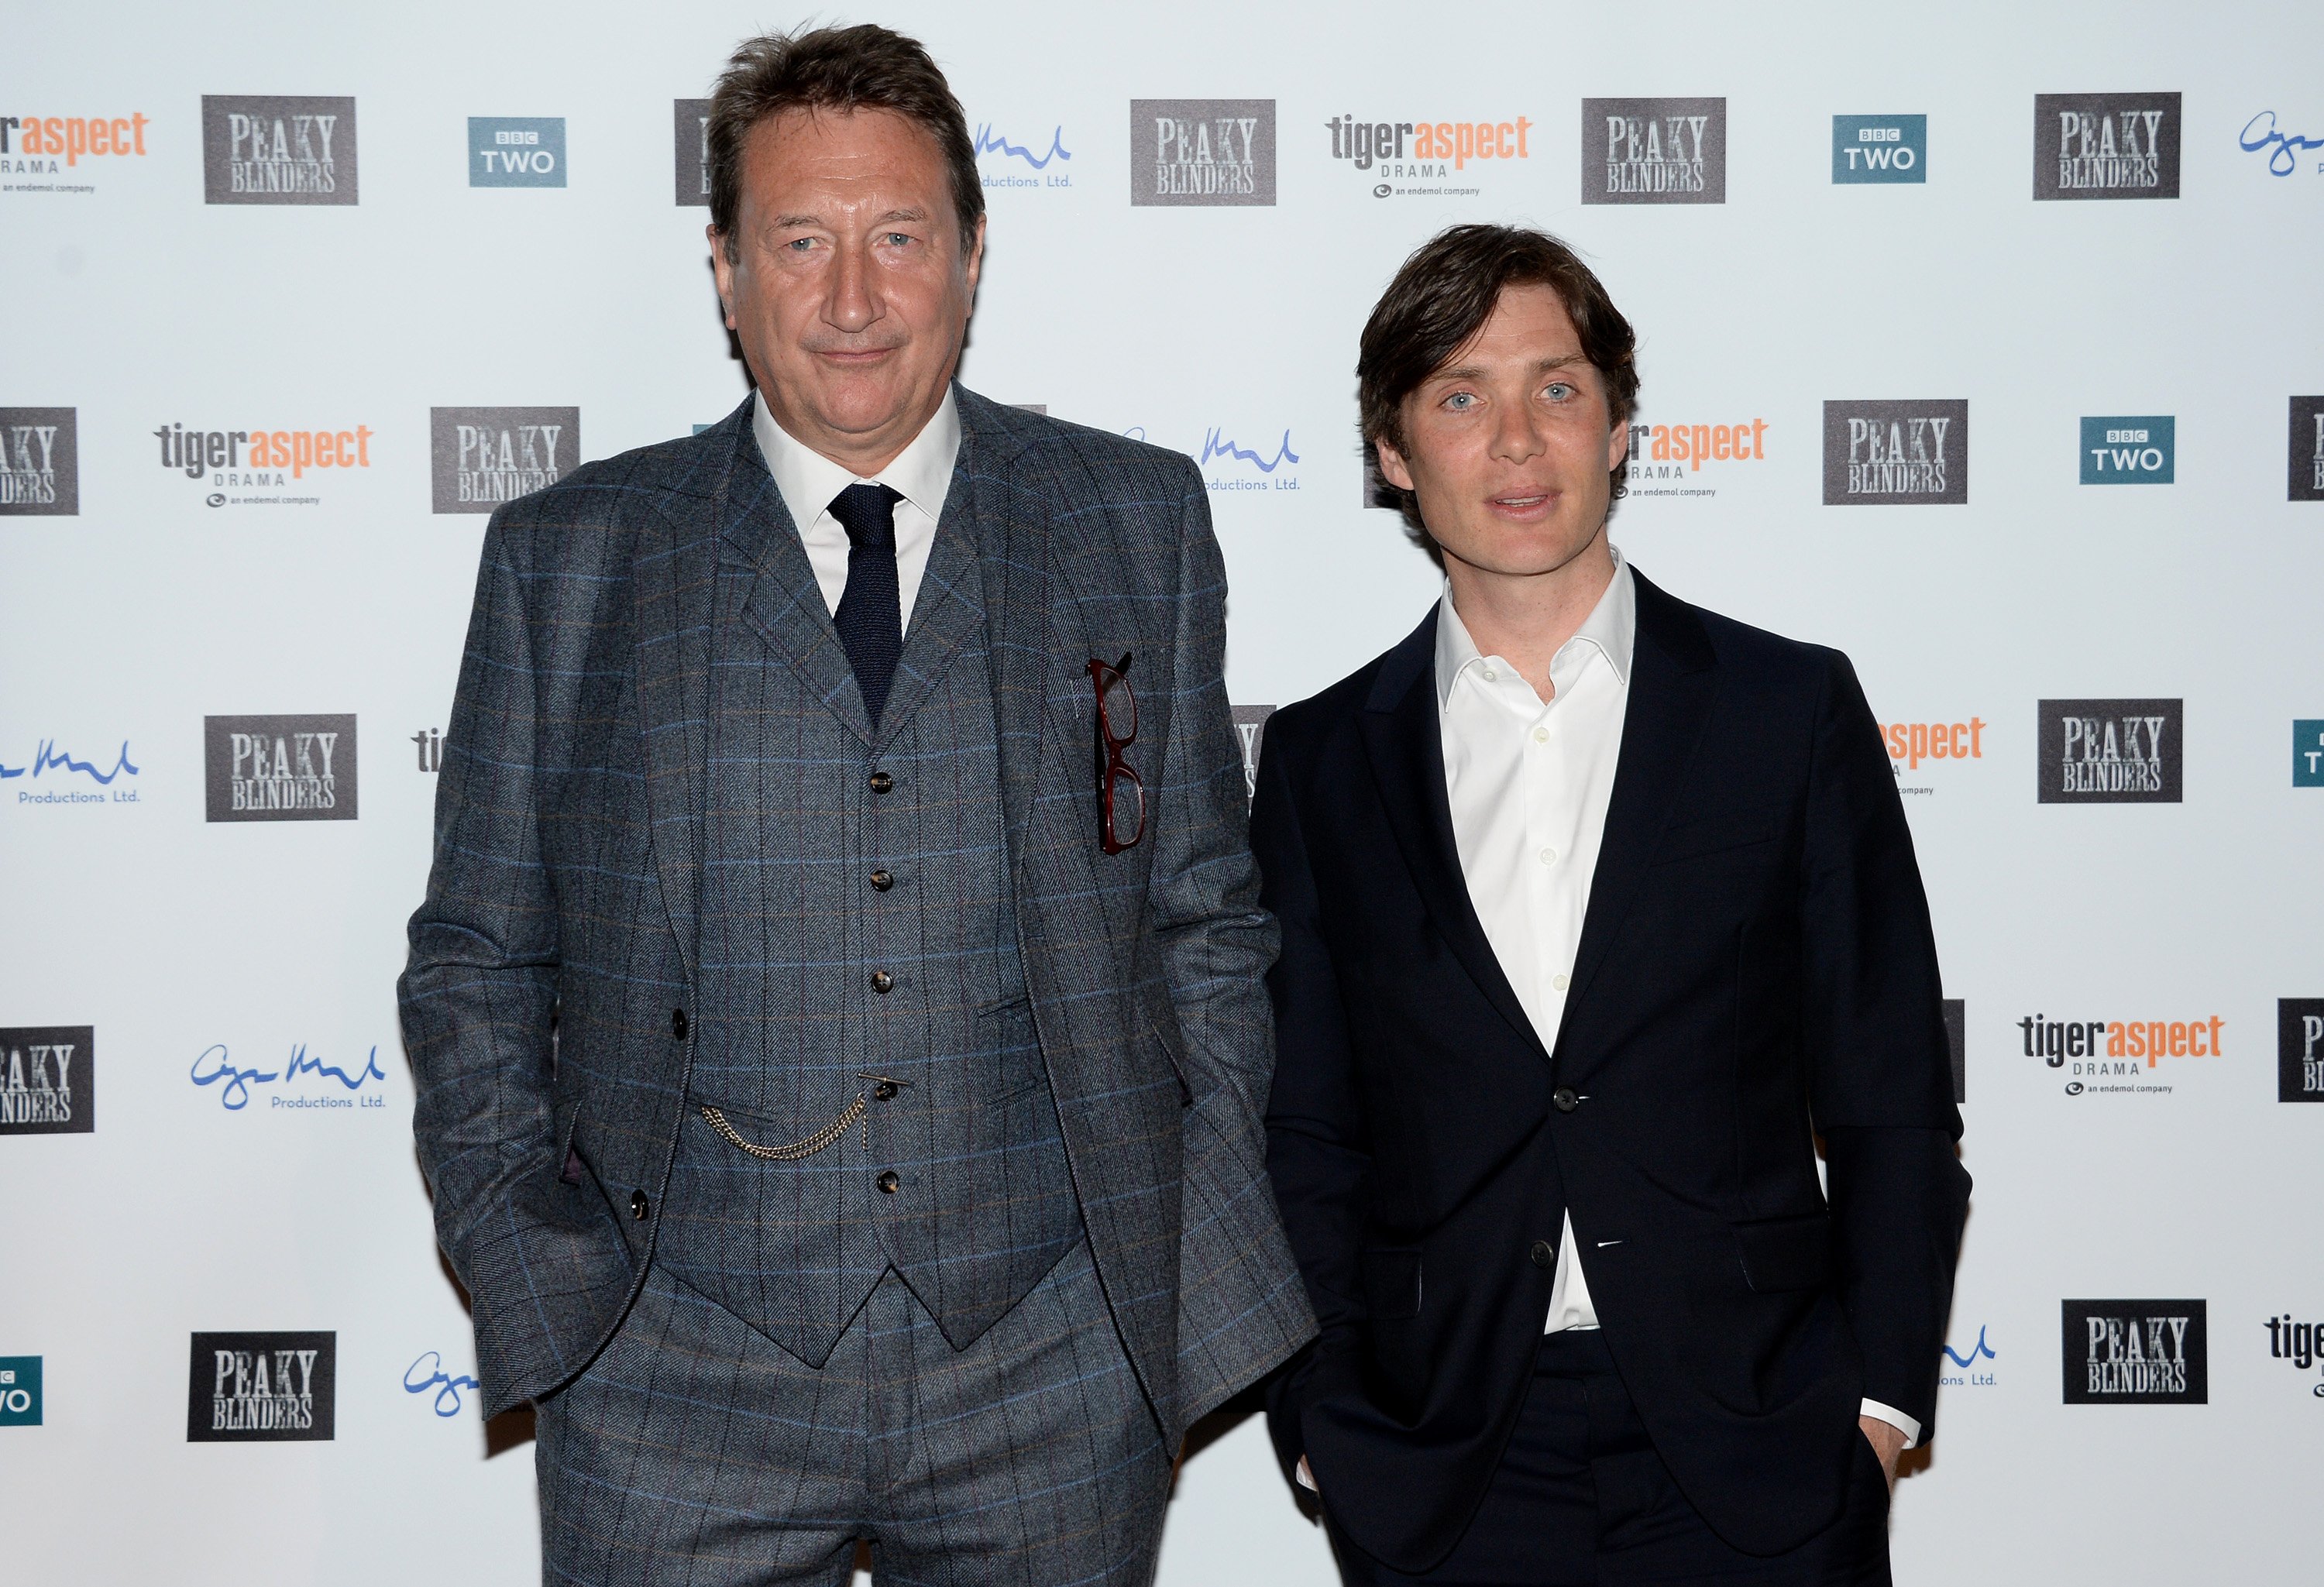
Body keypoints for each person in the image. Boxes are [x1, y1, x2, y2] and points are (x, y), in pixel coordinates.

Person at [399, 24, 1312, 1584]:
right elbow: (480, 950)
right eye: (798, 241)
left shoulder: (1131, 517)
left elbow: (1205, 919)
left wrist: (1161, 1270)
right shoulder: (572, 555)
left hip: (1051, 1363)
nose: (850, 297)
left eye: (897, 237)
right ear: (723, 270)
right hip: (669, 1371)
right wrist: (550, 1282)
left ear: (971, 253)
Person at [1254, 224, 1968, 1585]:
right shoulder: (1322, 760)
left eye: (1559, 388)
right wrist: (1322, 1426)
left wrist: (1876, 1409)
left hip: (1760, 1454)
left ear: (1623, 422)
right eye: (1461, 395)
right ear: (1395, 452)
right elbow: (1303, 1132)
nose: (1518, 440)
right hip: (1447, 1463)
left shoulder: (1785, 712)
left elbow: (1890, 1097)